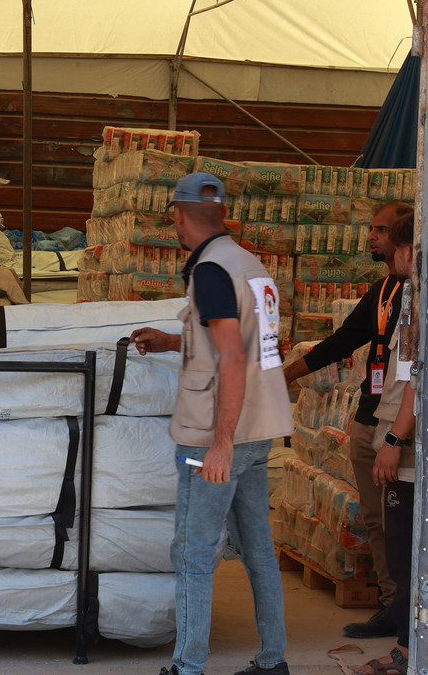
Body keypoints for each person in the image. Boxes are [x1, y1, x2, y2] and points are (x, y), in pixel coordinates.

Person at [131, 172, 294, 675]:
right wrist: (173, 339)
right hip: (260, 428)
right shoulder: (249, 264)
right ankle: (272, 661)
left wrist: (218, 445)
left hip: (215, 436)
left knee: (193, 553)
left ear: (179, 216)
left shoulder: (209, 271)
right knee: (258, 549)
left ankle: (187, 667)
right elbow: (242, 343)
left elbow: (232, 359)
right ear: (224, 215)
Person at [282, 200, 412, 639]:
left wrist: (396, 438)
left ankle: (408, 615)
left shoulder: (417, 294)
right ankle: (393, 606)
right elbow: (339, 343)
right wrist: (284, 377)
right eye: (371, 229)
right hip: (371, 417)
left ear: (404, 238)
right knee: (378, 520)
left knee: (402, 521)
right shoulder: (384, 290)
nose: (371, 237)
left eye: (380, 230)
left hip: (402, 426)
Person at [354, 211, 416, 675]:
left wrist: (394, 438)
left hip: (409, 451)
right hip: (396, 438)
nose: (387, 253)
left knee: (403, 550)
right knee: (396, 546)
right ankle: (407, 647)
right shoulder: (405, 293)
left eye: (391, 243)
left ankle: (408, 651)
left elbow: (419, 375)